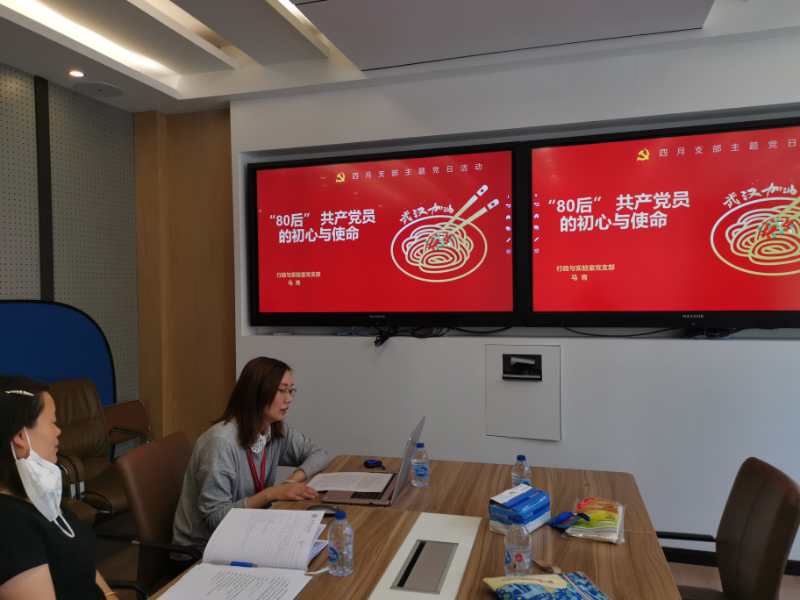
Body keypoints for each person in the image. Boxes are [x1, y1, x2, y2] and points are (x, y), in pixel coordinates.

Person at [173, 357, 330, 547]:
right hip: (203, 548)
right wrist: (270, 494)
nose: (289, 399)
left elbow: (319, 454)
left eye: (291, 391)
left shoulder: (273, 429)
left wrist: (292, 480)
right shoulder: (221, 442)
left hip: (246, 532)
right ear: (256, 393)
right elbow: (215, 518)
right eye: (281, 390)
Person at [0, 376, 119, 600]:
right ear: (20, 436)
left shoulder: (38, 495)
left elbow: (78, 554)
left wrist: (110, 595)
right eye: (53, 422)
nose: (58, 431)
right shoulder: (9, 528)